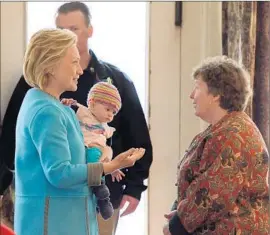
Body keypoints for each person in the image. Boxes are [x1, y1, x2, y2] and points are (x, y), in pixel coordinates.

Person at [0, 2, 153, 234]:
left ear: (89, 30)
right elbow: (60, 173)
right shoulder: (46, 109)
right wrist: (114, 164)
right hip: (56, 221)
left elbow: (137, 134)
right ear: (51, 66)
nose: (79, 70)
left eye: (73, 28)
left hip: (78, 212)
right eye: (72, 63)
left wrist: (133, 184)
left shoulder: (111, 82)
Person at [163, 56, 269, 235]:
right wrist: (180, 212)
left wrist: (177, 225)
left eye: (197, 87)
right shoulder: (222, 129)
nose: (191, 95)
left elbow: (214, 192)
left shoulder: (234, 134)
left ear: (216, 95)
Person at [62, 80, 125, 220]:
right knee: (94, 155)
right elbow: (69, 106)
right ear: (92, 103)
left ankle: (101, 198)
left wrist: (113, 168)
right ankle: (100, 189)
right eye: (107, 109)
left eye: (113, 112)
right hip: (83, 148)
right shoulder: (84, 112)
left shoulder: (106, 128)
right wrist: (66, 103)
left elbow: (107, 152)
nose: (110, 115)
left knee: (102, 155)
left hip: (97, 153)